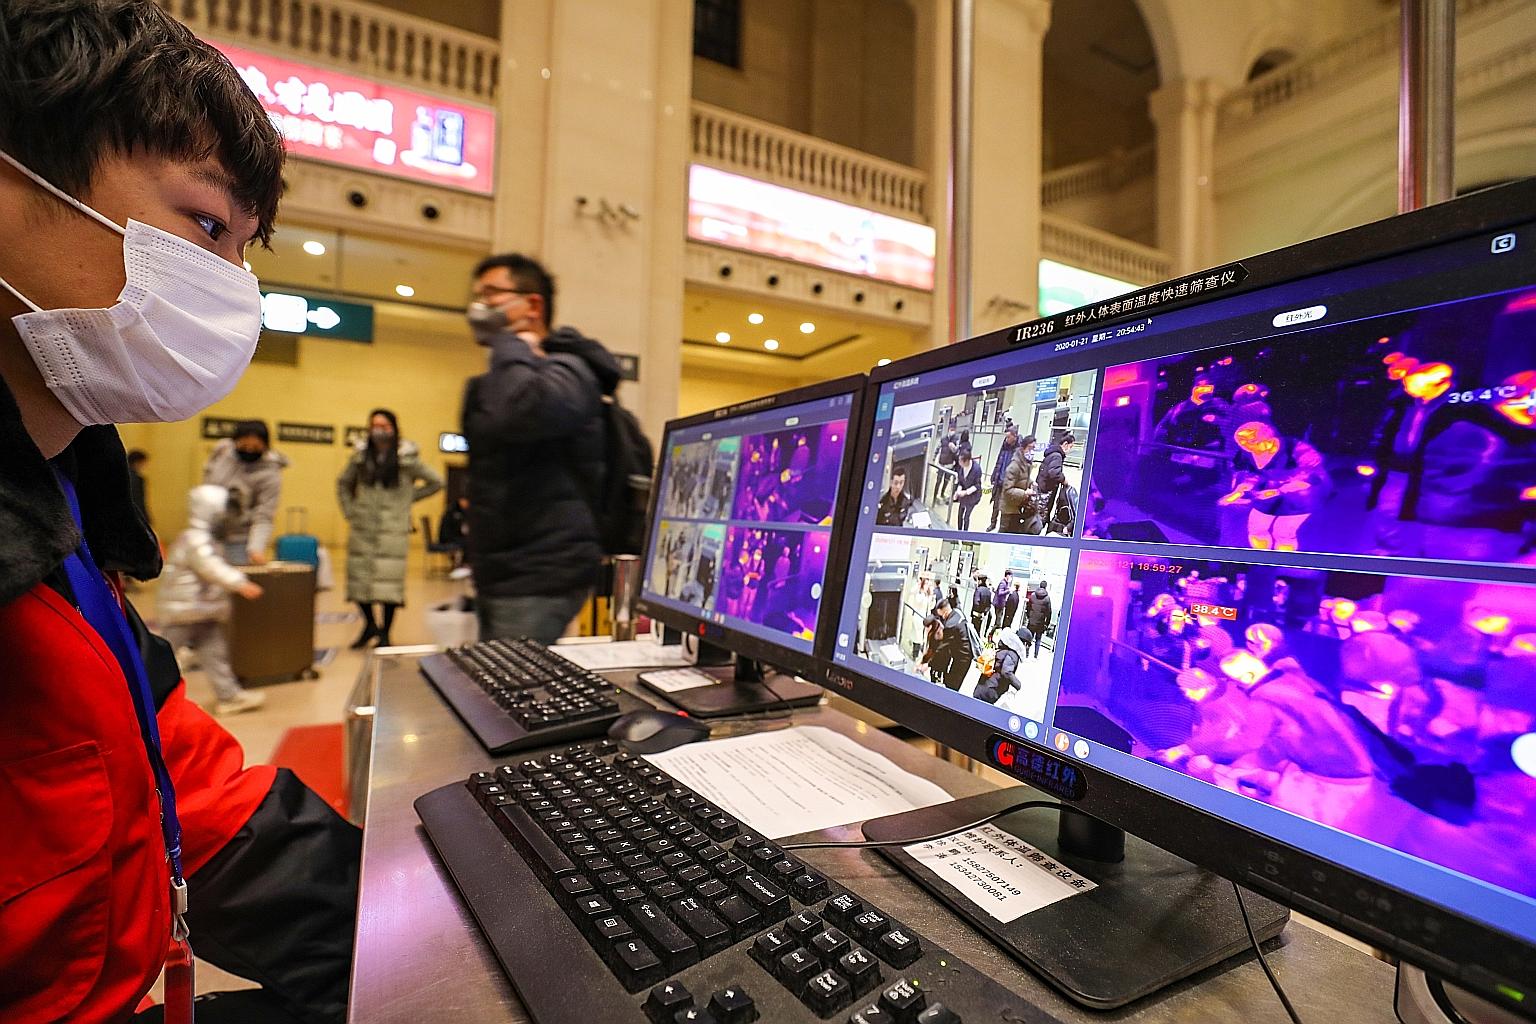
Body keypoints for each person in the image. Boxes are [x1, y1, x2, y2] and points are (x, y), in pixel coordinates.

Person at [0, 5, 358, 1021]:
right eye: (205, 226)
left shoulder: (64, 487)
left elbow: (175, 780)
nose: (227, 291)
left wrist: (407, 927)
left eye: (241, 253)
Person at [462, 252, 621, 644]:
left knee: (511, 691)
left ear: (532, 304)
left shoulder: (569, 369)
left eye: (492, 294)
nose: (479, 306)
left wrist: (510, 344)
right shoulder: (508, 372)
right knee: (501, 680)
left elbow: (523, 412)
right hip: (503, 565)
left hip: (539, 571)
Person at [337, 409, 443, 648]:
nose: (379, 430)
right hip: (363, 527)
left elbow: (437, 482)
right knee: (359, 581)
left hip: (393, 530)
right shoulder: (360, 457)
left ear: (394, 428)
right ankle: (369, 626)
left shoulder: (407, 459)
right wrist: (350, 511)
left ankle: (385, 633)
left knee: (389, 585)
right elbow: (343, 483)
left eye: (384, 426)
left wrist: (406, 499)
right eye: (374, 425)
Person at [158, 485, 266, 715]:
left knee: (215, 655)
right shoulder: (196, 540)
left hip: (202, 610)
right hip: (185, 610)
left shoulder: (206, 539)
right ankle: (136, 694)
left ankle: (229, 696)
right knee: (162, 654)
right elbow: (210, 567)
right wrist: (240, 582)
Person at [203, 418, 287, 564]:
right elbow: (207, 480)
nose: (249, 450)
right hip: (209, 532)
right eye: (244, 445)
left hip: (239, 539)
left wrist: (256, 548)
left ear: (265, 446)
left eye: (255, 447)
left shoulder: (270, 474)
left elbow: (264, 515)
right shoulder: (222, 452)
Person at [923, 595, 975, 691]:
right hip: (965, 653)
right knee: (951, 679)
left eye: (942, 615)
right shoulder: (958, 612)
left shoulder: (950, 625)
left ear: (945, 612)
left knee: (952, 684)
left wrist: (927, 663)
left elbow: (941, 648)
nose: (942, 618)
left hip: (963, 657)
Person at [974, 627, 1025, 705]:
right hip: (992, 689)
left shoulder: (1002, 649)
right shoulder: (1012, 654)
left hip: (983, 685)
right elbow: (1006, 671)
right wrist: (1018, 685)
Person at [999, 435, 1038, 534]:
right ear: (1022, 448)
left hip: (1017, 507)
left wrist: (1031, 482)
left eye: (1034, 448)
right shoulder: (1014, 466)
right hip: (1009, 510)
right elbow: (1007, 490)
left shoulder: (1026, 463)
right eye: (1030, 448)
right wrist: (1024, 493)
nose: (1032, 451)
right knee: (1004, 536)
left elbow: (1022, 478)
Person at [1035, 432, 1075, 526]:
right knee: (1041, 517)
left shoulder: (1052, 453)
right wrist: (1064, 480)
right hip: (1046, 491)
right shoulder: (1057, 456)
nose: (1070, 450)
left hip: (1042, 488)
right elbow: (1054, 473)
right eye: (1070, 446)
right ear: (1065, 444)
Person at [986, 424, 1019, 531]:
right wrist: (994, 474)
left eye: (1008, 437)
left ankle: (1001, 528)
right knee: (995, 505)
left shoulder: (1019, 449)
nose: (1006, 439)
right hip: (999, 481)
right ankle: (992, 523)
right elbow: (998, 461)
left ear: (1014, 436)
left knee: (1005, 507)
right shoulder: (1004, 446)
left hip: (1009, 484)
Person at [952, 443, 983, 531]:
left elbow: (977, 485)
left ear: (967, 461)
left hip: (973, 496)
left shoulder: (976, 469)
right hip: (963, 495)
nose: (959, 463)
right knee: (959, 514)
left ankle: (965, 533)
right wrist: (957, 492)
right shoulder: (961, 468)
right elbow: (960, 482)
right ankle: (959, 531)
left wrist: (965, 492)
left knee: (966, 516)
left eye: (961, 461)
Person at [1025, 579, 1054, 659]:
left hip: (1032, 621)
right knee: (1038, 639)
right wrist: (1046, 623)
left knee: (1029, 637)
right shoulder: (1047, 598)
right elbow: (1049, 612)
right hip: (1040, 622)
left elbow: (1028, 607)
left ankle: (1026, 653)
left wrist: (1029, 616)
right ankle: (1035, 655)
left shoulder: (1033, 595)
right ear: (1046, 587)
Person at [127, 447, 151, 526]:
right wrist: (146, 518)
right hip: (134, 516)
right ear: (137, 462)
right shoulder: (136, 479)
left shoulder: (119, 476)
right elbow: (138, 500)